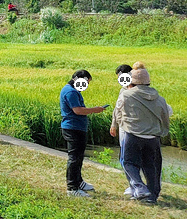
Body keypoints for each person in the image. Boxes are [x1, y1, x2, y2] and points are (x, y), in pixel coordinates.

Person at [111, 62, 172, 204]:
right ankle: (152, 197)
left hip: (133, 135)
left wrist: (121, 125)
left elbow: (118, 112)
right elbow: (165, 115)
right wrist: (162, 131)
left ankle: (139, 187)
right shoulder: (159, 98)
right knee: (150, 166)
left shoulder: (126, 95)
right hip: (153, 138)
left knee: (128, 162)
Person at [59, 69, 108, 197]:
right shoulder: (70, 92)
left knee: (79, 157)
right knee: (74, 158)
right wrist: (95, 110)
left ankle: (78, 182)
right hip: (73, 128)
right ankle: (72, 188)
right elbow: (78, 110)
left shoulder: (72, 90)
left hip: (77, 128)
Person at [110, 64, 149, 199]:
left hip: (131, 129)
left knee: (127, 158)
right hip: (125, 128)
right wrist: (114, 124)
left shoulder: (133, 91)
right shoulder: (125, 90)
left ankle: (136, 186)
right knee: (127, 158)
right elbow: (117, 109)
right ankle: (134, 185)